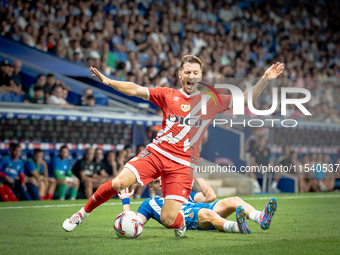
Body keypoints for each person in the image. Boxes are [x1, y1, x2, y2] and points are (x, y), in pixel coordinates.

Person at [63, 56, 284, 237]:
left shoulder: (211, 101)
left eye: (196, 72)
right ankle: (81, 214)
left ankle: (181, 224)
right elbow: (135, 89)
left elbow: (245, 99)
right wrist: (110, 82)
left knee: (170, 219)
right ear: (180, 75)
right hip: (157, 153)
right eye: (187, 72)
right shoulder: (167, 95)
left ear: (200, 75)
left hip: (183, 166)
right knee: (120, 181)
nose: (191, 76)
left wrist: (264, 79)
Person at [118, 177, 277, 234]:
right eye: (156, 182)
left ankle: (260, 217)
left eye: (163, 180)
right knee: (206, 213)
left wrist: (196, 173)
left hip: (199, 208)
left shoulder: (182, 193)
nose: (161, 184)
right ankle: (237, 227)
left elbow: (210, 196)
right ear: (151, 187)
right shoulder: (149, 204)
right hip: (187, 218)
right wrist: (126, 202)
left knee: (234, 200)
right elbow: (134, 222)